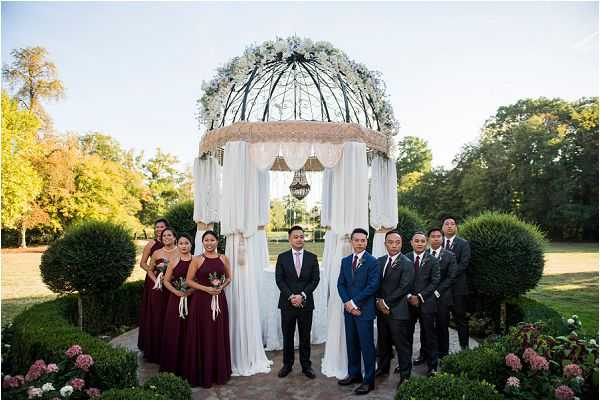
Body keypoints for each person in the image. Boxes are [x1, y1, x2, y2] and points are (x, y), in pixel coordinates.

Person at [182, 230, 232, 388]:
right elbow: (189, 281)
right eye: (206, 240)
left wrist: (220, 287)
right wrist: (206, 289)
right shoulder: (197, 260)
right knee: (204, 333)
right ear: (202, 242)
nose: (209, 243)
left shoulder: (224, 258)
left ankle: (218, 372)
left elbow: (229, 277)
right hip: (201, 302)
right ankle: (202, 373)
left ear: (217, 241)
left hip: (219, 300)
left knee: (217, 333)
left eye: (212, 240)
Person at [337, 228, 380, 395]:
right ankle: (354, 374)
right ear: (352, 241)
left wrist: (355, 303)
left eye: (363, 240)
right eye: (357, 240)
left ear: (366, 242)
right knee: (351, 343)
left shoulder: (373, 261)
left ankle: (368, 381)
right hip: (349, 310)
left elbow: (372, 286)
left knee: (367, 346)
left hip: (364, 311)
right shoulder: (345, 261)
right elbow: (341, 284)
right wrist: (347, 303)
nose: (360, 243)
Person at [275, 226, 320, 379]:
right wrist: (291, 297)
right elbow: (279, 280)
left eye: (301, 236)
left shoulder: (312, 257)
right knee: (287, 336)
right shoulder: (282, 257)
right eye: (296, 237)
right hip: (287, 304)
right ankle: (287, 365)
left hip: (306, 304)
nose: (299, 239)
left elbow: (315, 280)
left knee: (305, 336)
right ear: (290, 239)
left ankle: (306, 366)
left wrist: (302, 295)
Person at [374, 230, 415, 389]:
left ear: (401, 244)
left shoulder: (407, 263)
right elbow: (375, 284)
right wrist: (378, 301)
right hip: (381, 310)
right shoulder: (379, 261)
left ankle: (405, 376)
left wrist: (386, 303)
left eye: (397, 242)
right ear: (385, 244)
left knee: (401, 345)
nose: (394, 245)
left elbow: (404, 287)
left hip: (398, 311)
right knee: (383, 343)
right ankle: (383, 369)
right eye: (390, 242)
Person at [413, 228, 458, 366]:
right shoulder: (423, 254)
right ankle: (424, 353)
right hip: (425, 298)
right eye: (433, 236)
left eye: (439, 236)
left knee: (442, 326)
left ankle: (443, 355)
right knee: (425, 327)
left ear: (442, 238)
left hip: (442, 297)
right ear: (428, 239)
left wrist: (436, 291)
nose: (436, 238)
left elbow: (451, 277)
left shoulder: (450, 256)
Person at [139, 227, 179, 363]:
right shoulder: (156, 253)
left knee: (172, 319)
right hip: (158, 290)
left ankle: (172, 352)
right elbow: (149, 270)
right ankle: (156, 352)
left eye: (169, 235)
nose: (166, 237)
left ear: (175, 237)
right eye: (164, 236)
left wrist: (171, 277)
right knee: (157, 318)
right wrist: (156, 280)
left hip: (173, 289)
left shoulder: (180, 251)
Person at [405, 232, 440, 376]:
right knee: (406, 335)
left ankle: (432, 366)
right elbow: (401, 281)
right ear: (411, 242)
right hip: (407, 303)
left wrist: (419, 296)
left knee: (429, 335)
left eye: (422, 241)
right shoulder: (404, 258)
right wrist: (409, 296)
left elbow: (435, 281)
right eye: (417, 241)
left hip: (426, 303)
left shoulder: (432, 260)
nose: (419, 243)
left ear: (426, 243)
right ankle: (404, 364)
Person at [159, 233, 195, 375]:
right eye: (181, 243)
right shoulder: (173, 261)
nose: (184, 246)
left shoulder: (196, 260)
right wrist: (176, 292)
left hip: (192, 299)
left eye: (186, 243)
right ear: (178, 245)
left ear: (191, 245)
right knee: (174, 330)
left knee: (190, 331)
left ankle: (189, 364)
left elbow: (199, 280)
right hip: (175, 299)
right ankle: (173, 365)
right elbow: (166, 281)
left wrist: (190, 291)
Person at [138, 218, 169, 352]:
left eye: (161, 227)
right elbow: (143, 263)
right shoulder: (151, 244)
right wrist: (155, 273)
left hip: (169, 281)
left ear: (167, 228)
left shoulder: (171, 242)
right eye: (157, 227)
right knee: (155, 312)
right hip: (153, 280)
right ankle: (152, 345)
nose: (159, 229)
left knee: (166, 310)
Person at [442, 216, 471, 350]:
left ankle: (464, 349)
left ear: (456, 227)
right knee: (441, 321)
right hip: (441, 290)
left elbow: (464, 264)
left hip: (458, 289)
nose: (449, 226)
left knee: (461, 319)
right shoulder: (438, 243)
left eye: (452, 224)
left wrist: (448, 277)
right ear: (442, 228)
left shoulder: (463, 244)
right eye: (446, 224)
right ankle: (443, 351)